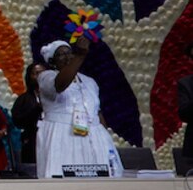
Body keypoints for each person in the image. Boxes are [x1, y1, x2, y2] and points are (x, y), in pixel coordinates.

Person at [35, 38, 123, 178]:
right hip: (63, 134)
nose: (67, 56)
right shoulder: (46, 77)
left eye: (69, 53)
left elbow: (97, 112)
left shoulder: (89, 81)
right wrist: (80, 55)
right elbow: (60, 85)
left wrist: (106, 137)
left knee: (102, 178)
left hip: (94, 135)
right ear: (52, 61)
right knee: (66, 177)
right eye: (61, 54)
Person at [11, 62, 46, 164]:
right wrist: (36, 109)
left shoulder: (58, 95)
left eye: (43, 73)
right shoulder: (23, 99)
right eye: (36, 73)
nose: (40, 76)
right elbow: (17, 121)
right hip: (32, 141)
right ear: (29, 76)